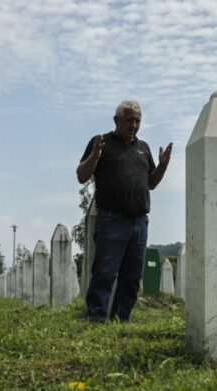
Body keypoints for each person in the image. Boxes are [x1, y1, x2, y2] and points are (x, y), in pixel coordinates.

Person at [76, 100, 172, 322]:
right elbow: (81, 176)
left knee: (131, 278)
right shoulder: (101, 142)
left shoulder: (143, 148)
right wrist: (95, 156)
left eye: (138, 121)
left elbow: (151, 183)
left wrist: (163, 166)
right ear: (116, 120)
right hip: (111, 220)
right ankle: (96, 319)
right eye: (130, 120)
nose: (134, 125)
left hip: (139, 222)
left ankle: (120, 320)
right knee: (105, 274)